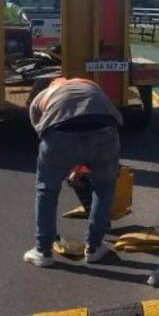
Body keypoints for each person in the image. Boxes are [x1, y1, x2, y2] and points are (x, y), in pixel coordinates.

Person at [23, 77, 123, 267]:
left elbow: (43, 133)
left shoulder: (40, 98)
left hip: (60, 135)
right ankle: (94, 248)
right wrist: (82, 166)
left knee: (47, 190)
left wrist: (69, 162)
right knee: (103, 188)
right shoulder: (90, 86)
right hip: (106, 131)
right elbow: (102, 119)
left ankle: (42, 251)